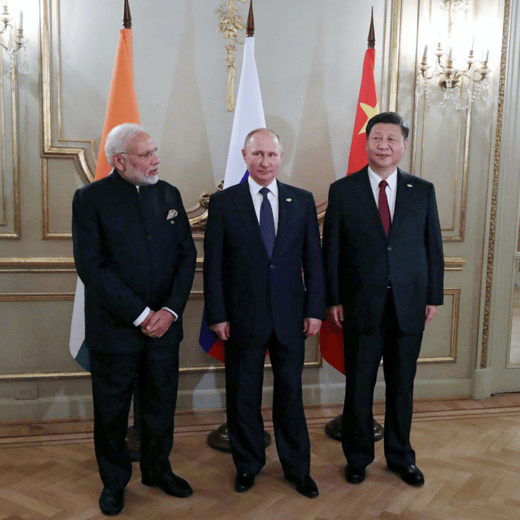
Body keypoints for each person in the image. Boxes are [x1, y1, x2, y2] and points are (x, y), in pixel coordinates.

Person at [72, 123, 196, 515]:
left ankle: (158, 470)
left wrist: (170, 311)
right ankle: (114, 482)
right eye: (146, 154)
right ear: (120, 161)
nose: (156, 159)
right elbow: (92, 267)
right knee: (111, 412)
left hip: (165, 329)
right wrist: (143, 314)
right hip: (114, 331)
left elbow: (186, 258)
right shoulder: (89, 199)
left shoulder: (169, 193)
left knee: (160, 405)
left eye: (155, 150)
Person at [322, 112, 444, 487]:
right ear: (367, 143)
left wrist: (433, 297)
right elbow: (333, 250)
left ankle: (400, 457)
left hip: (409, 305)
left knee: (402, 384)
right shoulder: (343, 190)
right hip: (360, 305)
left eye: (392, 139)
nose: (384, 146)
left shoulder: (422, 190)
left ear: (403, 147)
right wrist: (334, 298)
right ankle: (357, 456)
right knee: (358, 384)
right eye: (377, 138)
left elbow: (432, 247)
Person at [203, 128, 326, 498]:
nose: (265, 162)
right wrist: (218, 315)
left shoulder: (300, 201)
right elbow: (214, 266)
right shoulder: (225, 203)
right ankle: (248, 464)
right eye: (258, 155)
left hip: (292, 318)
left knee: (290, 397)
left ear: (281, 156)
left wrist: (315, 310)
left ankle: (297, 469)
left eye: (272, 155)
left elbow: (313, 263)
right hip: (241, 318)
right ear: (244, 156)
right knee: (243, 397)